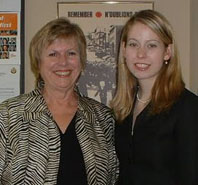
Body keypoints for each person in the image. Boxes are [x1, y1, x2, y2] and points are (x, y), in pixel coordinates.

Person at [0, 17, 119, 185]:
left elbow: (114, 177)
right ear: (38, 63)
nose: (63, 62)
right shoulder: (7, 115)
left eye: (71, 53)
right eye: (53, 54)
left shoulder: (103, 118)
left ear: (81, 62)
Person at [110, 9, 198, 185]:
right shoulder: (124, 107)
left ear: (167, 52)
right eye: (134, 44)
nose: (141, 54)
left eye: (151, 45)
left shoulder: (187, 107)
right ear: (124, 49)